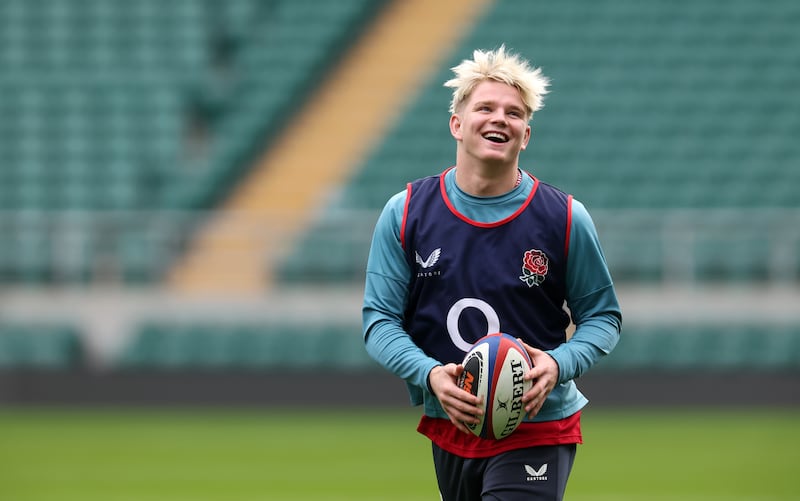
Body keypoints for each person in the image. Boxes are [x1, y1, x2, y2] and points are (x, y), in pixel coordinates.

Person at [362, 45, 622, 500]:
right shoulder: (406, 213)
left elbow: (603, 317)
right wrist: (431, 375)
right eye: (485, 108)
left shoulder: (564, 217)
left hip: (538, 426)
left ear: (525, 136)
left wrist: (558, 364)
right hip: (452, 423)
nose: (500, 118)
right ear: (457, 124)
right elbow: (379, 321)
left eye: (514, 113)